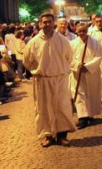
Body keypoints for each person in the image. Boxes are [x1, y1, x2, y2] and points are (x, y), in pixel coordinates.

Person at [23, 13, 76, 147]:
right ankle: (48, 135)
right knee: (43, 109)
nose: (46, 24)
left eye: (49, 22)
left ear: (54, 23)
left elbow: (69, 57)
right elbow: (27, 61)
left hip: (60, 79)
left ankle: (62, 135)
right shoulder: (34, 42)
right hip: (42, 80)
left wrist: (59, 69)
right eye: (44, 22)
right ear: (40, 24)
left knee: (62, 108)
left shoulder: (63, 40)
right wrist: (38, 71)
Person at [70, 23, 102, 129]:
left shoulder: (95, 42)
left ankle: (90, 114)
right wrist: (77, 65)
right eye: (80, 31)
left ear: (87, 30)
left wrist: (88, 67)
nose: (82, 33)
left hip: (91, 73)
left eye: (84, 31)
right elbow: (68, 58)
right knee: (80, 94)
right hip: (77, 73)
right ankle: (82, 117)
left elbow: (99, 56)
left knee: (92, 93)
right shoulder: (72, 43)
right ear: (76, 31)